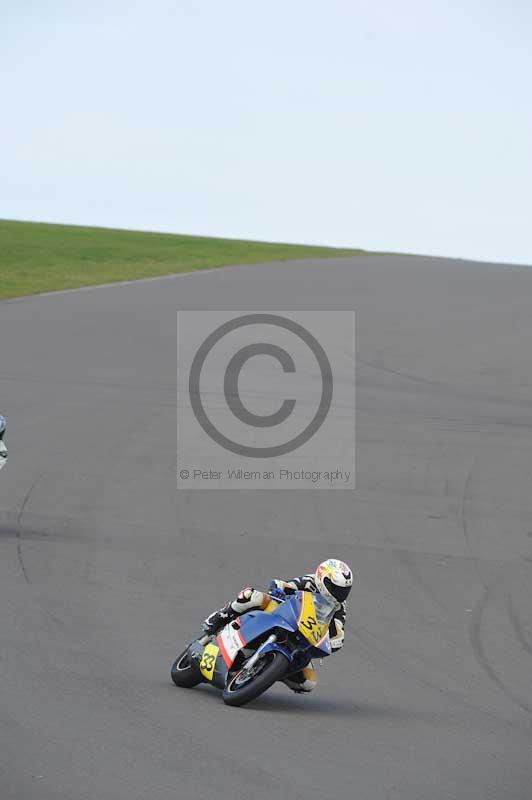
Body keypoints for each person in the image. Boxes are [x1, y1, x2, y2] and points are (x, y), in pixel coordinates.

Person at [202, 558, 353, 693]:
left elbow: (338, 630)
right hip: (284, 618)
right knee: (253, 596)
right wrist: (279, 589)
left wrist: (335, 642)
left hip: (303, 641)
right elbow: (285, 585)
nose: (340, 593)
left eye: (344, 590)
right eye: (335, 588)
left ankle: (270, 671)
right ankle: (221, 616)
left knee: (308, 682)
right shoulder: (310, 582)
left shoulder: (339, 606)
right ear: (322, 578)